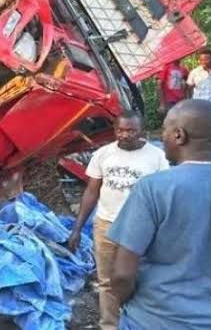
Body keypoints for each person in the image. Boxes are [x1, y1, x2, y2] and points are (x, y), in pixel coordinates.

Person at [109, 100, 211, 329]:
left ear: (179, 135)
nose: (162, 137)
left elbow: (122, 274)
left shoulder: (154, 188)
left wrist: (124, 302)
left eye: (165, 130)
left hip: (154, 318)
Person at [66, 111, 168, 330]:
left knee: (140, 278)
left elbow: (162, 195)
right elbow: (92, 192)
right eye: (120, 130)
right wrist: (77, 228)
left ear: (141, 130)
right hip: (106, 225)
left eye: (131, 130)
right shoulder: (103, 154)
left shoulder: (157, 157)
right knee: (106, 281)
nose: (125, 135)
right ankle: (110, 325)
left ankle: (140, 323)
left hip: (142, 227)